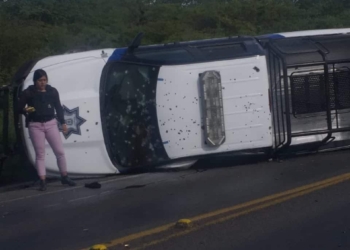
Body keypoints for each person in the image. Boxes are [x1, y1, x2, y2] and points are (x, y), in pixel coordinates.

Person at [18, 69, 76, 191]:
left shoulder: (52, 91)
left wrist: (63, 122)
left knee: (59, 151)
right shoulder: (28, 93)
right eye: (40, 80)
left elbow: (58, 107)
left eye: (44, 80)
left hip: (50, 123)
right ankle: (42, 180)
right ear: (35, 81)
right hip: (35, 125)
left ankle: (64, 176)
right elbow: (18, 107)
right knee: (40, 154)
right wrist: (25, 111)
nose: (42, 83)